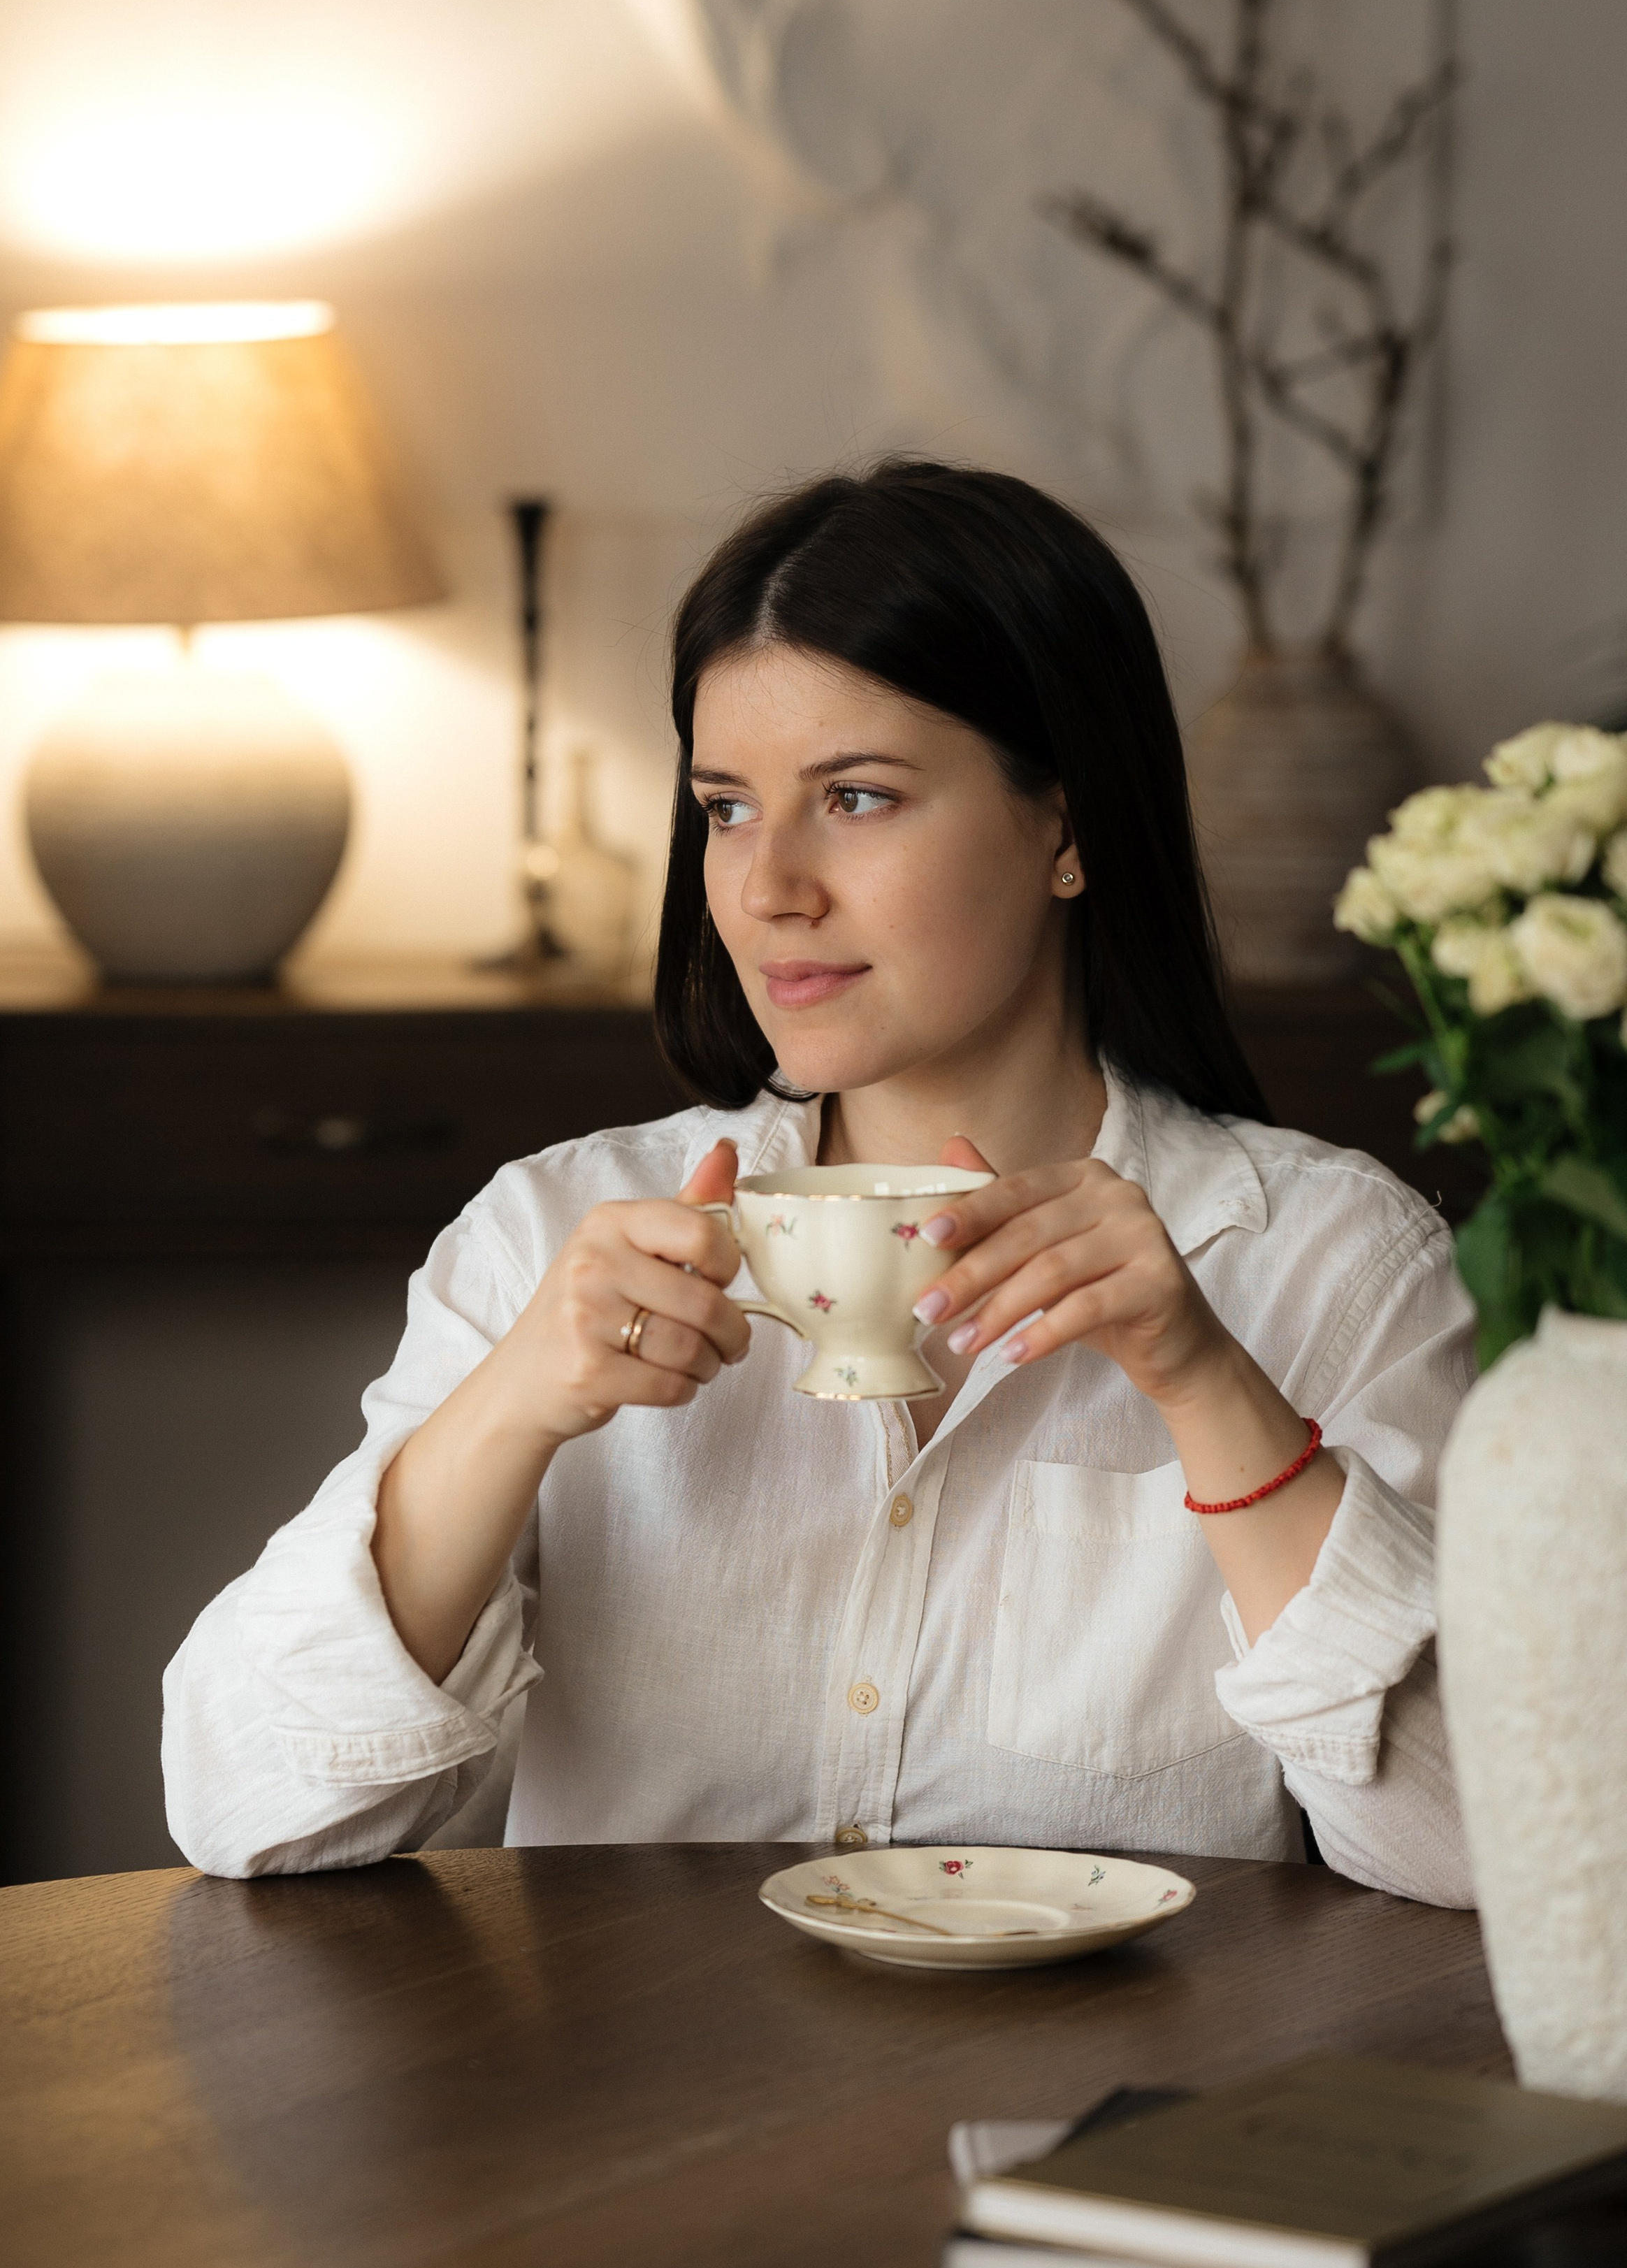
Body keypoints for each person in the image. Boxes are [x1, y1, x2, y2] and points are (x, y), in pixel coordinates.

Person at [163, 461, 1474, 1905]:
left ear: (1067, 825)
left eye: (855, 797)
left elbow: (1479, 1855)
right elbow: (249, 1807)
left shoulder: (1331, 1264)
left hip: (1106, 2117)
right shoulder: (546, 1239)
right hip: (639, 2117)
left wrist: (1205, 1386)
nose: (768, 885)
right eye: (726, 808)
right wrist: (513, 1405)